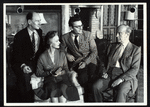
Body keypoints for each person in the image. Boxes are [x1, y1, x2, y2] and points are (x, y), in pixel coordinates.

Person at [92, 24, 141, 102]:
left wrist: (120, 79)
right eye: (117, 33)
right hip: (109, 74)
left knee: (121, 91)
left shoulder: (135, 49)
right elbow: (103, 61)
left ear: (127, 34)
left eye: (119, 33)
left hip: (125, 77)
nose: (116, 35)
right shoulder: (112, 46)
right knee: (95, 87)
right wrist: (103, 71)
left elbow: (134, 69)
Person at [32, 31, 80, 101]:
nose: (59, 42)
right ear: (50, 43)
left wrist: (61, 73)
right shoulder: (42, 57)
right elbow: (38, 73)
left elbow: (66, 69)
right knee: (52, 89)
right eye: (57, 41)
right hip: (50, 80)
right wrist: (49, 72)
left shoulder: (62, 54)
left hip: (62, 79)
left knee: (63, 88)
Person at [61, 14, 98, 101]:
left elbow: (94, 51)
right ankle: (87, 100)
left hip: (91, 60)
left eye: (81, 25)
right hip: (77, 62)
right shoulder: (65, 37)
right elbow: (61, 50)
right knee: (82, 77)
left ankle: (90, 100)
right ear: (71, 28)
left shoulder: (88, 35)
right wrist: (67, 54)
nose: (80, 28)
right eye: (77, 27)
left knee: (92, 76)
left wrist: (85, 62)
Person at [11, 12, 44, 102]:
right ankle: (28, 102)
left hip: (36, 63)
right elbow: (16, 56)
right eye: (37, 21)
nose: (40, 23)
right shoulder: (20, 35)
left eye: (40, 21)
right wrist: (23, 66)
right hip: (22, 63)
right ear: (29, 22)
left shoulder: (39, 32)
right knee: (25, 79)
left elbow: (41, 50)